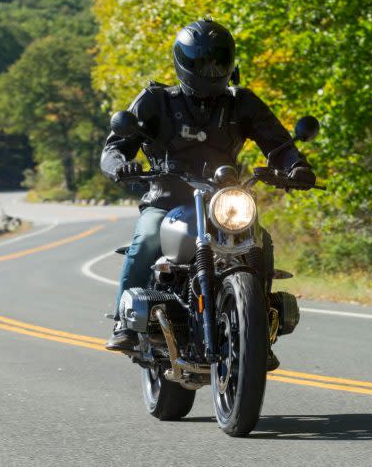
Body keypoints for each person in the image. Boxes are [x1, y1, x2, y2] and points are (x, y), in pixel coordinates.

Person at [100, 18, 316, 368]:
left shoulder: (241, 102)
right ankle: (123, 321)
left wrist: (296, 166)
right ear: (184, 62)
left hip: (223, 199)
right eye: (202, 63)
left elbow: (277, 142)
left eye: (217, 63)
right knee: (147, 237)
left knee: (261, 241)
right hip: (167, 197)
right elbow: (115, 147)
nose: (210, 70)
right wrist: (120, 165)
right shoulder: (156, 101)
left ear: (229, 63)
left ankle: (259, 328)